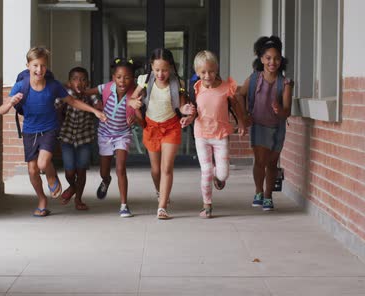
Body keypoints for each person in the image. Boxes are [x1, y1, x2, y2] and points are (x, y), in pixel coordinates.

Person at [0, 47, 106, 217]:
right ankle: (42, 200)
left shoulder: (53, 86)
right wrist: (11, 101)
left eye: (42, 66)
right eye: (35, 65)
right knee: (32, 170)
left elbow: (72, 101)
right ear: (28, 66)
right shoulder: (21, 86)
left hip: (49, 128)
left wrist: (94, 111)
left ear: (46, 67)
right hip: (29, 131)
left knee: (42, 164)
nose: (39, 69)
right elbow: (1, 110)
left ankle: (51, 175)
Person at [128, 48, 195, 220]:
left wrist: (185, 109)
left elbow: (180, 106)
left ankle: (162, 207)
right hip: (151, 127)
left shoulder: (177, 83)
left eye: (164, 70)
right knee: (156, 170)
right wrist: (134, 102)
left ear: (171, 68)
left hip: (171, 127)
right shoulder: (144, 80)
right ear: (151, 66)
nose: (160, 73)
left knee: (166, 168)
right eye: (157, 69)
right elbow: (131, 99)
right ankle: (160, 191)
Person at [236, 36, 293, 212]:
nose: (272, 62)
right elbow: (239, 94)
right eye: (268, 58)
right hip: (259, 125)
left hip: (277, 128)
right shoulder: (253, 79)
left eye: (276, 58)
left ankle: (269, 195)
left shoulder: (285, 83)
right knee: (260, 161)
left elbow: (287, 111)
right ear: (261, 59)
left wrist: (279, 110)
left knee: (272, 163)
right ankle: (259, 191)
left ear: (281, 60)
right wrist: (244, 114)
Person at [191, 50, 247, 218]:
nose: (207, 75)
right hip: (201, 134)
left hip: (221, 135)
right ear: (197, 73)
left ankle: (218, 176)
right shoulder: (195, 88)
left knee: (223, 174)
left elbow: (236, 106)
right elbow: (191, 109)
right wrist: (187, 115)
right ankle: (207, 204)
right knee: (206, 170)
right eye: (203, 72)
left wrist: (241, 121)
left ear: (216, 69)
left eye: (211, 71)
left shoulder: (225, 88)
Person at [87, 58, 144, 218]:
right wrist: (95, 101)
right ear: (113, 77)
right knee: (104, 171)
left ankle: (124, 205)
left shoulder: (135, 94)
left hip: (122, 135)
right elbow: (86, 93)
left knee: (120, 168)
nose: (122, 81)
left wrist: (135, 119)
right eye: (119, 77)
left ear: (132, 78)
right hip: (105, 133)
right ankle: (106, 181)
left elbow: (143, 123)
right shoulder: (106, 88)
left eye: (127, 77)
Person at [55, 67, 98, 211]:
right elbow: (55, 105)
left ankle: (78, 199)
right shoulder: (67, 94)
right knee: (69, 171)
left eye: (83, 79)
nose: (79, 82)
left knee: (81, 171)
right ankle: (72, 187)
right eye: (75, 79)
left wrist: (100, 108)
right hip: (66, 137)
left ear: (88, 82)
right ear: (69, 82)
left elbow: (98, 104)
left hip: (84, 138)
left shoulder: (90, 95)